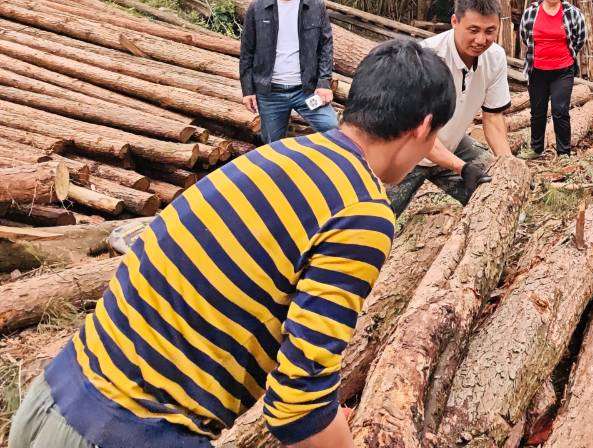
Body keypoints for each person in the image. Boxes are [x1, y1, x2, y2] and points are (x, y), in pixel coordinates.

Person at [11, 37, 456, 448]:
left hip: (52, 396)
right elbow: (298, 406)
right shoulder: (362, 210)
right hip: (127, 433)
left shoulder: (279, 154)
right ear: (423, 128)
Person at [387, 0, 513, 213]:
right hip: (404, 151)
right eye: (473, 30)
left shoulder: (495, 57)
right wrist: (462, 168)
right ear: (455, 21)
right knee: (377, 218)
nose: (481, 39)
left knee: (497, 188)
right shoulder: (426, 57)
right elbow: (418, 133)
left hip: (451, 143)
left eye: (490, 31)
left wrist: (509, 165)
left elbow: (493, 118)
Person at [239, 0, 338, 144]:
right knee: (272, 144)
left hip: (306, 91)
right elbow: (247, 52)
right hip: (271, 94)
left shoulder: (315, 6)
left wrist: (323, 83)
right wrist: (248, 90)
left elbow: (326, 46)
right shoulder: (258, 8)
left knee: (332, 128)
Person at [517, 0, 587, 157]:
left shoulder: (572, 13)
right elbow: (524, 35)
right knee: (537, 111)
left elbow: (580, 38)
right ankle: (536, 149)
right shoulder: (531, 12)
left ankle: (564, 153)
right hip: (537, 70)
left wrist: (567, 54)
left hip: (563, 70)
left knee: (560, 110)